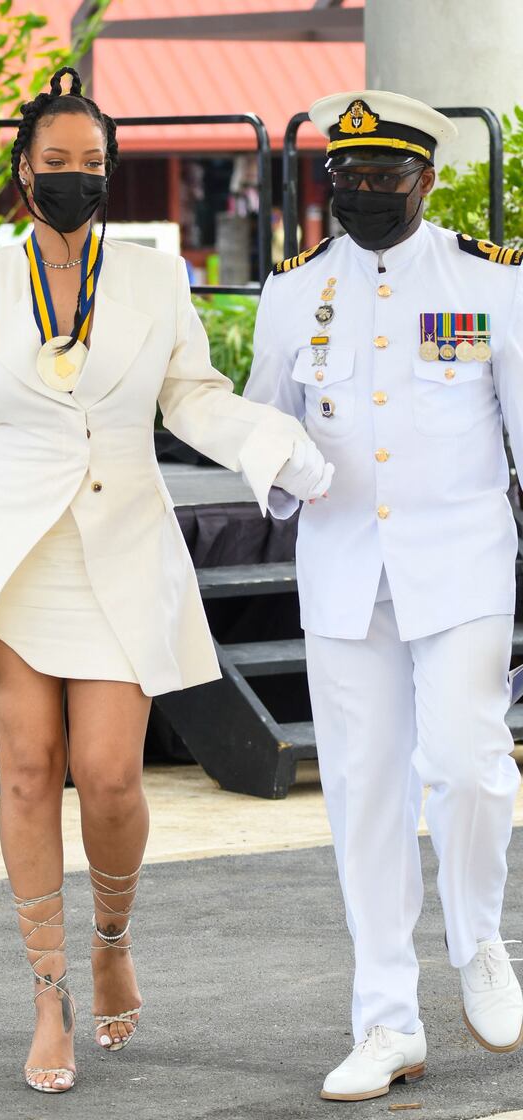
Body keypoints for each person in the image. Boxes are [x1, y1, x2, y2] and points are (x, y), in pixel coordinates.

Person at [0, 66, 332, 1095]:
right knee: (26, 772)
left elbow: (191, 396)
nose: (76, 180)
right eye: (57, 164)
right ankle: (47, 991)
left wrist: (274, 446)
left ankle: (111, 934)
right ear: (22, 170)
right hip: (13, 559)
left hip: (123, 549)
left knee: (109, 775)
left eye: (92, 165)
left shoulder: (153, 275)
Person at [245, 90, 523, 1102]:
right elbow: (260, 428)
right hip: (341, 572)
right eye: (345, 178)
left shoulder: (488, 283)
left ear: (427, 181)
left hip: (460, 566)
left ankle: (479, 938)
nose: (361, 192)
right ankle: (385, 1020)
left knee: (466, 767)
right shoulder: (292, 292)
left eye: (382, 178)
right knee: (363, 799)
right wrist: (281, 471)